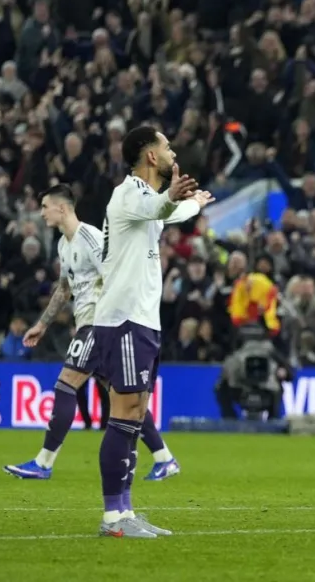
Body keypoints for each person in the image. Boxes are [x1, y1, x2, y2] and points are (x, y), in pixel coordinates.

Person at [3, 186, 181, 482]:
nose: (42, 211)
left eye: (45, 205)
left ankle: (43, 463)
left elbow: (117, 274)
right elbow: (64, 289)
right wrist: (43, 324)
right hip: (92, 323)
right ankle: (165, 458)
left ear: (62, 208)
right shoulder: (64, 244)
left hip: (101, 323)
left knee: (66, 385)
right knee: (124, 397)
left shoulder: (92, 238)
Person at [93, 126, 214, 538]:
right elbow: (162, 209)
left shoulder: (145, 201)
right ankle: (113, 517)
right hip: (124, 318)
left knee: (136, 413)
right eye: (166, 147)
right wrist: (174, 198)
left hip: (142, 320)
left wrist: (193, 203)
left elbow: (169, 213)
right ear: (149, 156)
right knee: (123, 414)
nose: (172, 151)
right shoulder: (128, 194)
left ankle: (126, 512)